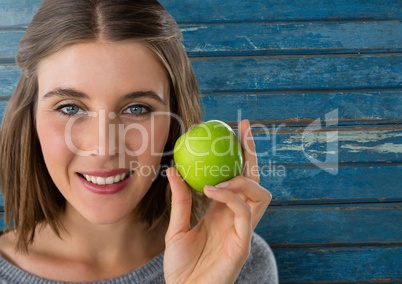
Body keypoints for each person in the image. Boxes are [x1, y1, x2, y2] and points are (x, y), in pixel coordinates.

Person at [0, 0, 278, 283]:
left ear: (174, 122)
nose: (105, 148)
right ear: (31, 117)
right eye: (70, 108)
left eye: (137, 109)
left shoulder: (237, 260)